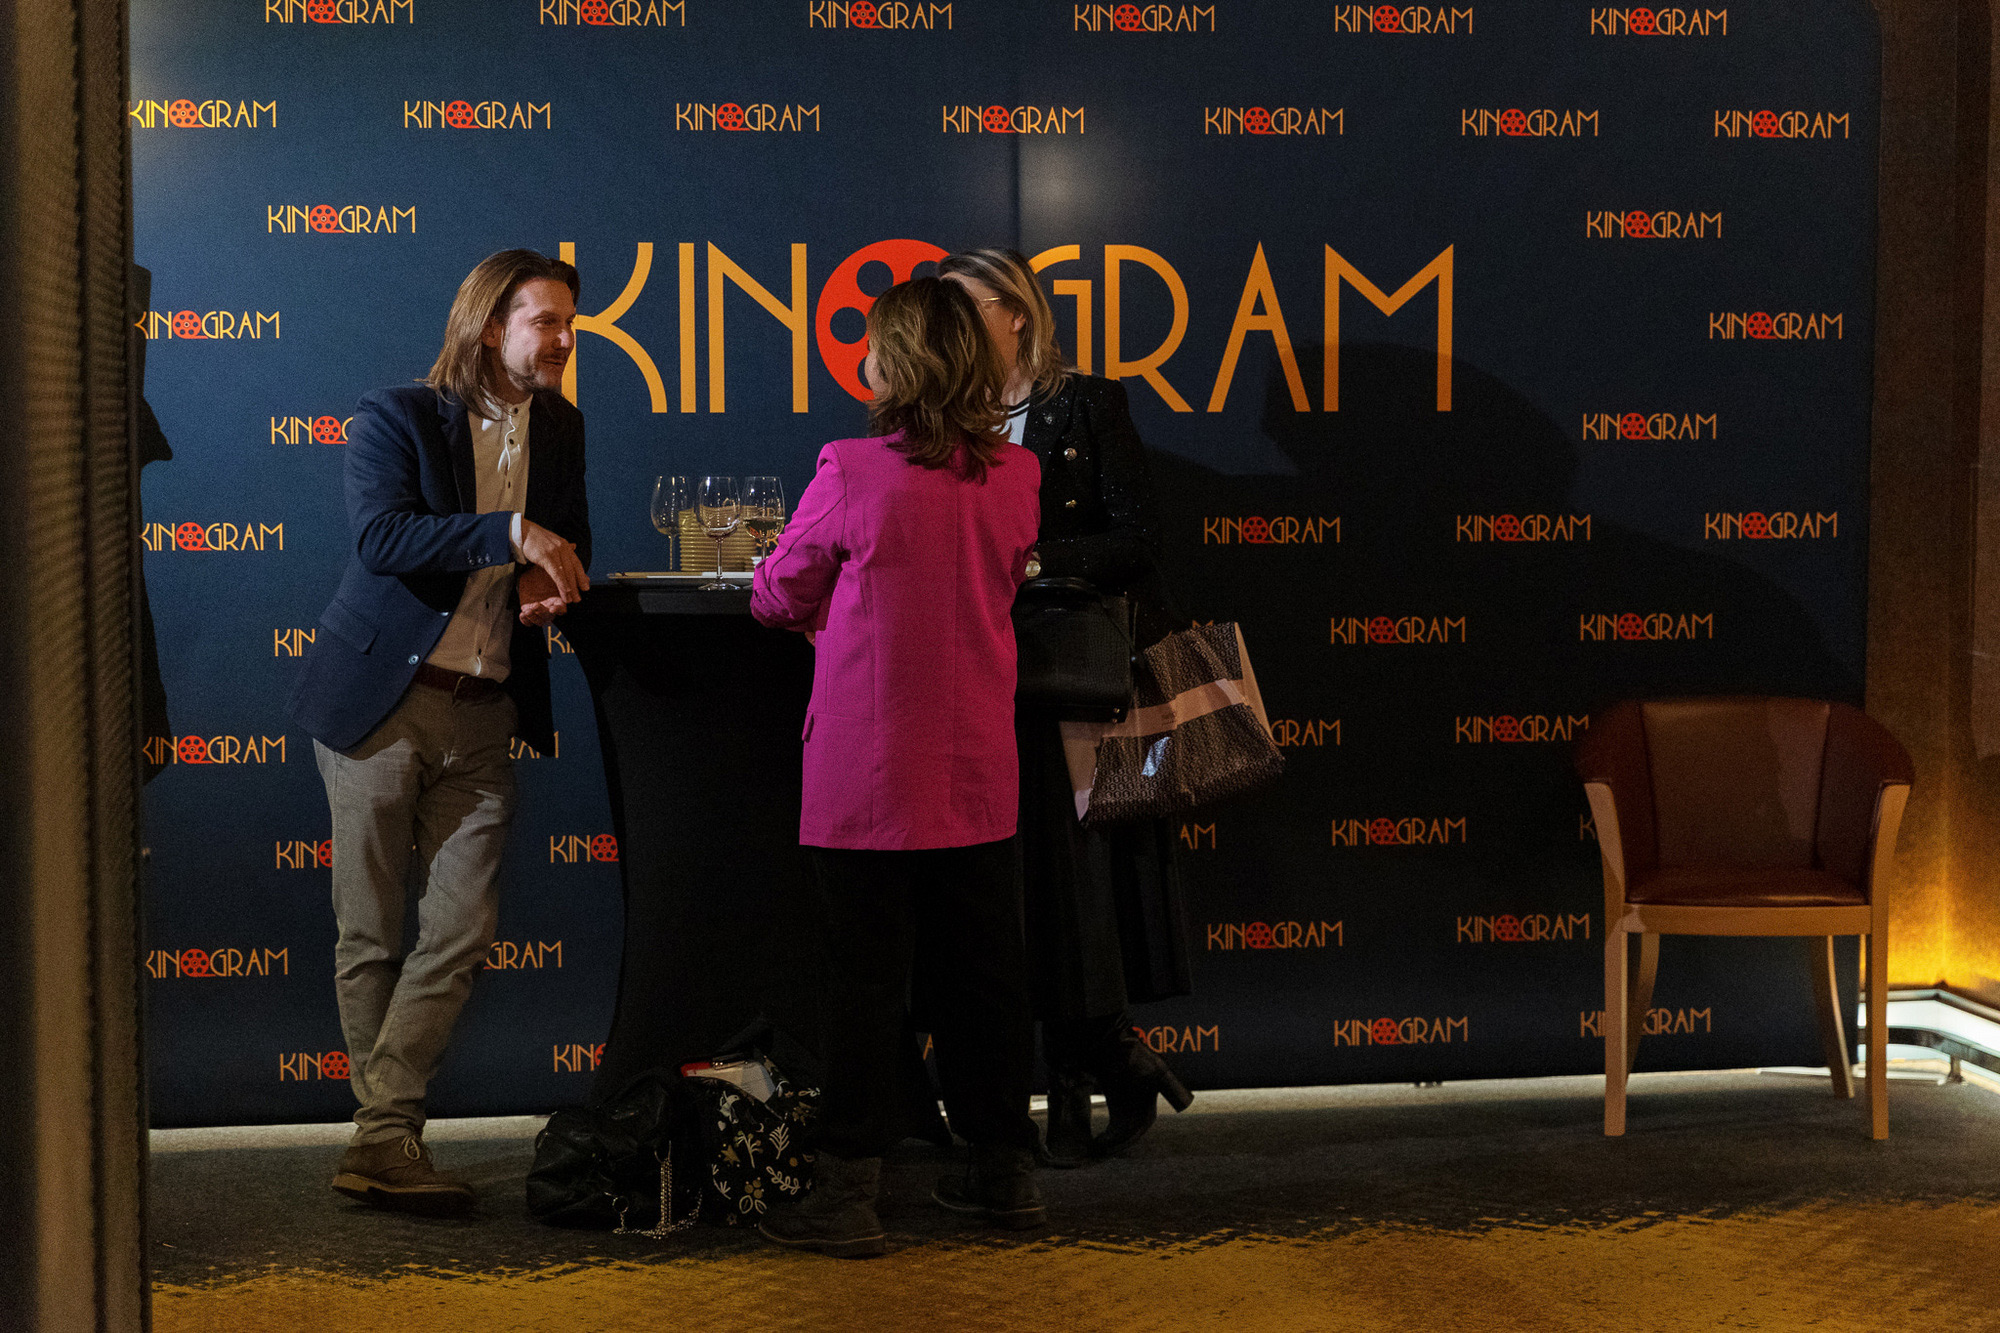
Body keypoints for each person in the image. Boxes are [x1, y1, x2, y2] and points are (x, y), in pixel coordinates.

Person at [286, 249, 592, 1216]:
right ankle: (389, 1136)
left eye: (569, 323)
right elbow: (383, 537)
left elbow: (569, 539)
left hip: (487, 710)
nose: (564, 339)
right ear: (490, 325)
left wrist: (547, 584)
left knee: (460, 930)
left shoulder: (564, 426)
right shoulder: (398, 415)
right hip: (380, 704)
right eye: (545, 321)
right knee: (371, 932)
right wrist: (508, 534)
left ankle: (379, 1133)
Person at [750, 276, 1044, 1258]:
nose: (864, 360)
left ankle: (845, 1191)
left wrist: (822, 610)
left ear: (897, 361)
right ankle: (1003, 1173)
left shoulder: (849, 466)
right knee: (983, 981)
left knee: (864, 987)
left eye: (873, 345)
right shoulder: (1018, 474)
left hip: (868, 779)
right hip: (978, 772)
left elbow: (776, 592)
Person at [938, 248, 1194, 1164]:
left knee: (1074, 886)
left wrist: (1031, 559)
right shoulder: (942, 413)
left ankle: (1086, 1076)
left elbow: (1138, 539)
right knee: (1013, 891)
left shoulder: (1086, 402)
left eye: (969, 304)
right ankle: (1107, 1062)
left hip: (1076, 678)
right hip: (975, 675)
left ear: (1018, 312)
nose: (955, 322)